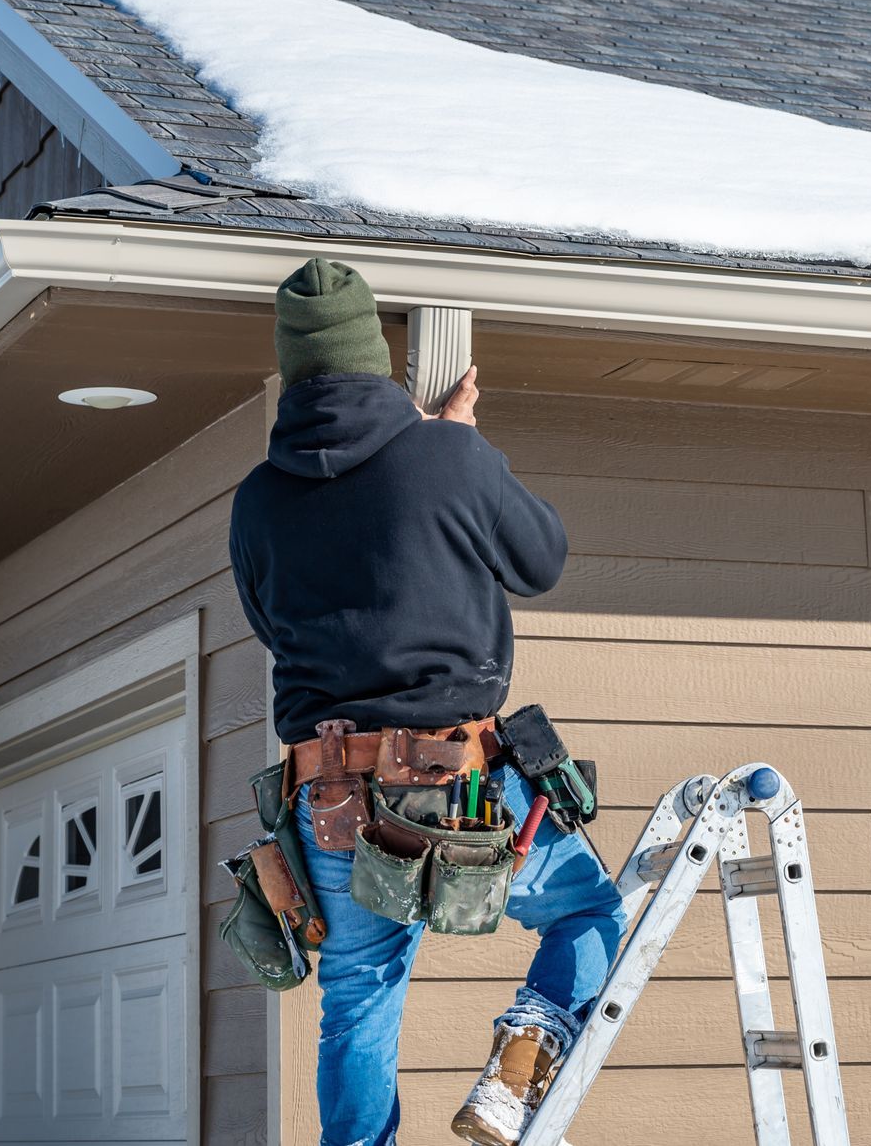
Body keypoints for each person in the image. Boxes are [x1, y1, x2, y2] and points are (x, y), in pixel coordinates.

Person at [228, 258, 627, 1146]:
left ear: (295, 373)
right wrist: (459, 447)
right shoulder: (447, 454)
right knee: (589, 911)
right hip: (460, 781)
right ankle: (519, 1064)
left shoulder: (257, 502)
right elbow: (542, 559)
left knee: (359, 1000)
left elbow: (270, 623)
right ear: (377, 359)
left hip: (327, 791)